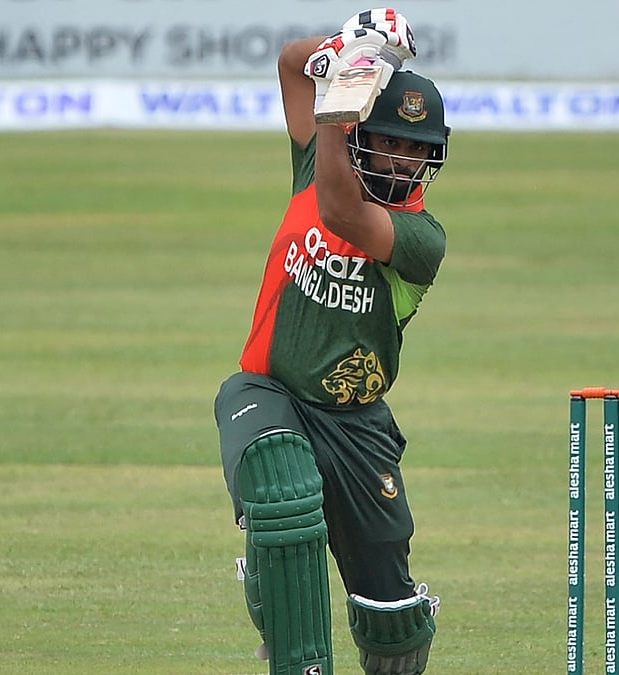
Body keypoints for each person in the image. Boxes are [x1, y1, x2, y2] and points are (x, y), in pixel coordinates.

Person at [213, 8, 450, 675]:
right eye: (390, 142)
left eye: (417, 148)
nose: (402, 159)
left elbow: (342, 211)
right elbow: (293, 64)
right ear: (361, 137)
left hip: (357, 423)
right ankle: (284, 617)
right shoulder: (316, 164)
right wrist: (347, 49)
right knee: (281, 486)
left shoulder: (421, 239)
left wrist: (338, 105)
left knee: (391, 620)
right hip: (272, 389)